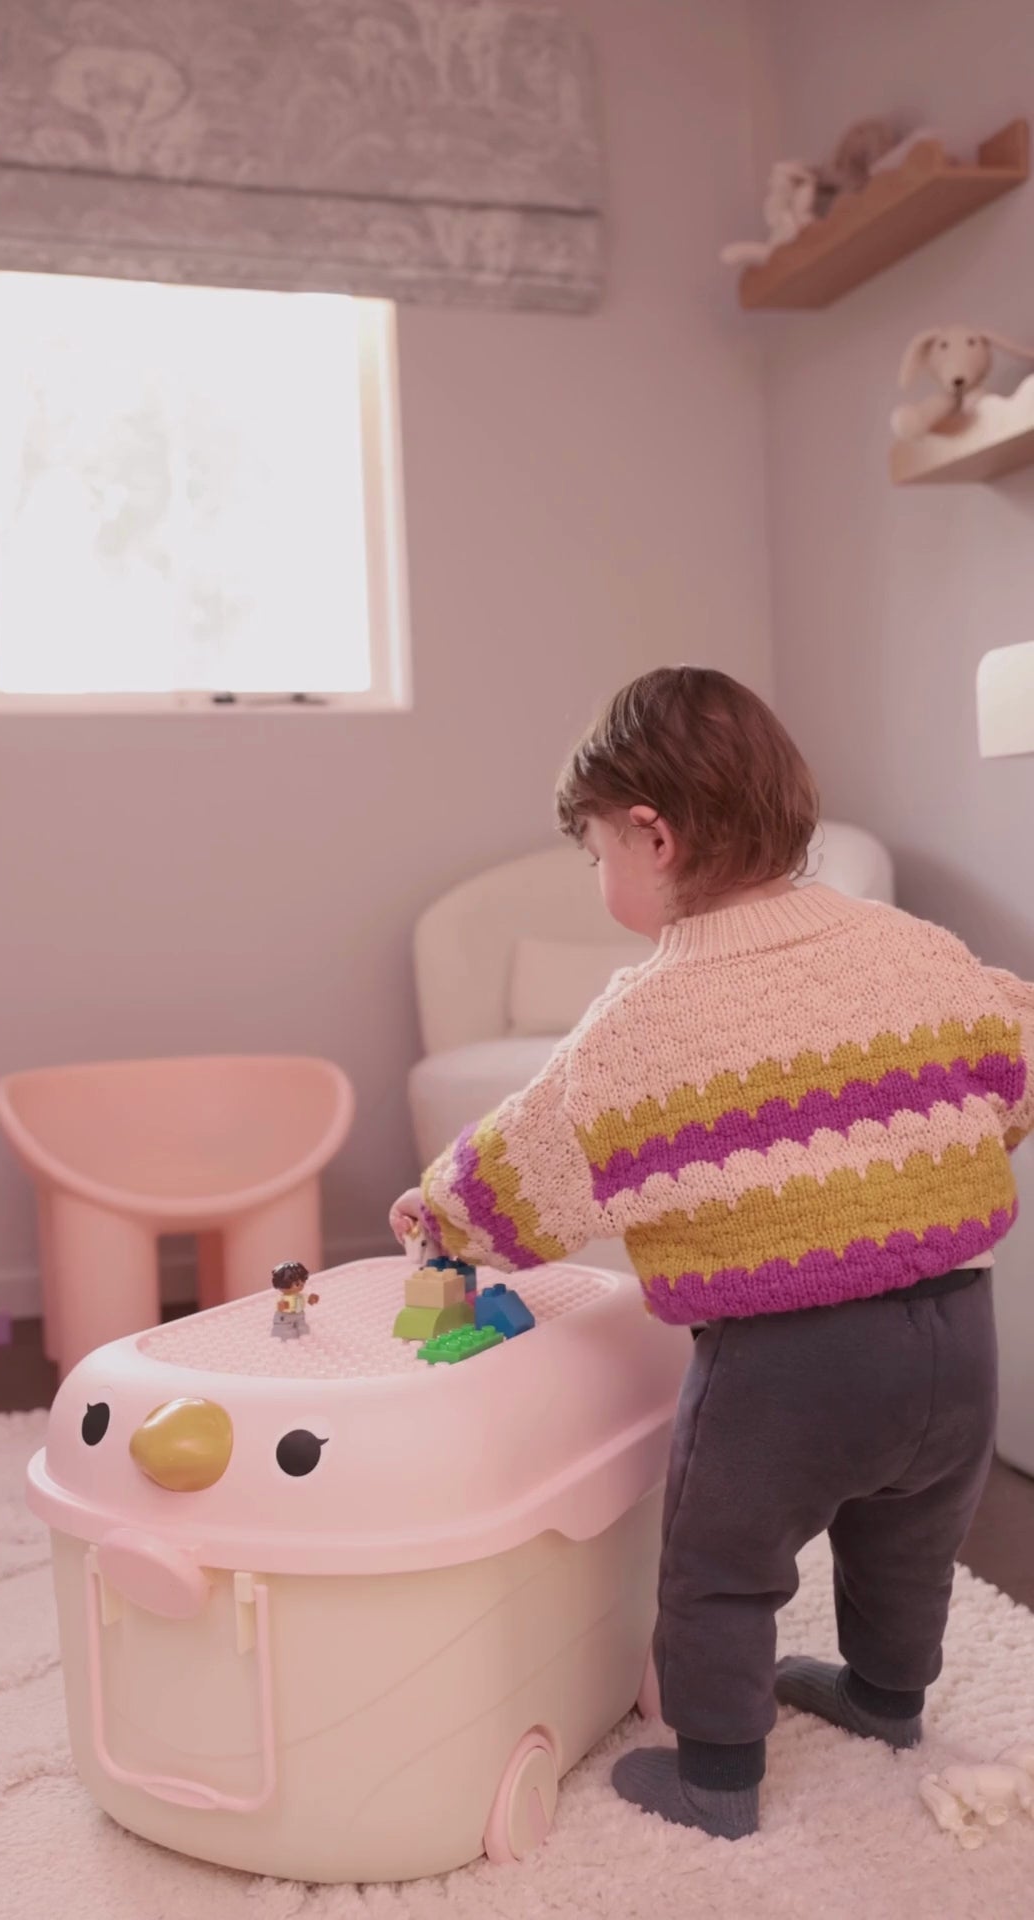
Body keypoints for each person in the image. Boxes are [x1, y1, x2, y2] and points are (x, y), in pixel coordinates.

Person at [390, 666, 1034, 1840]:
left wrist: (437, 1215)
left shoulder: (640, 1022)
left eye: (596, 852)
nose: (600, 877)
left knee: (718, 1568)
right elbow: (1013, 1063)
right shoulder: (914, 949)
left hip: (786, 1365)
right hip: (956, 1339)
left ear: (654, 834)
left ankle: (717, 1778)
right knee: (909, 1545)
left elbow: (532, 1167)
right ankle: (888, 1701)